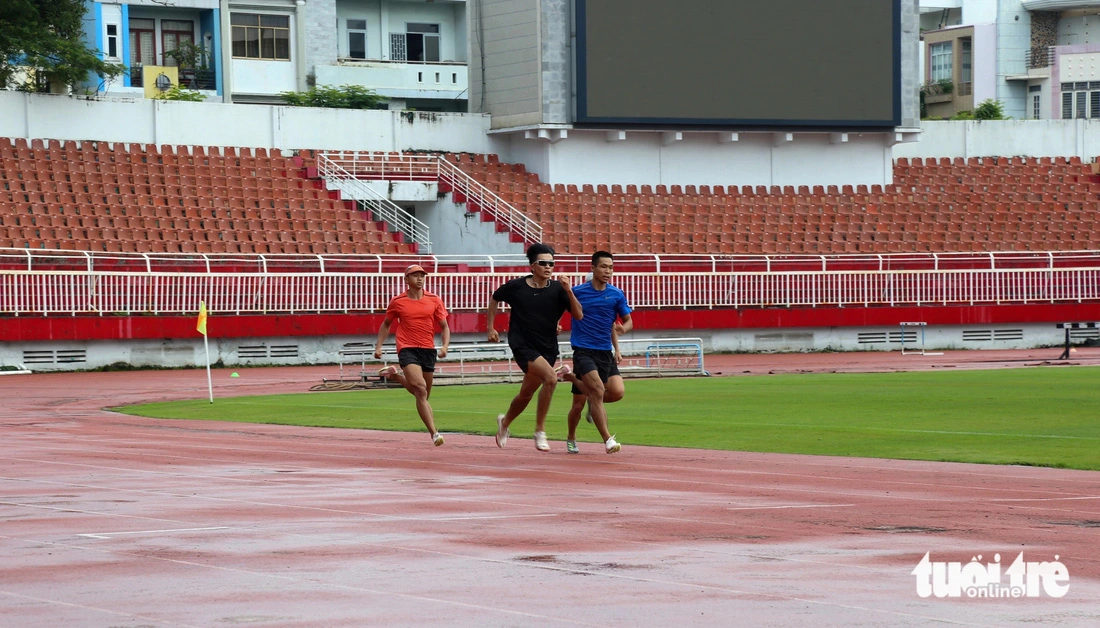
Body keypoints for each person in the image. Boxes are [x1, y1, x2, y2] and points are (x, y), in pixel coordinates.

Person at [488, 243, 583, 451]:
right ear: (532, 266)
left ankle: (504, 424)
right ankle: (540, 431)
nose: (548, 267)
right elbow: (495, 298)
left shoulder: (558, 289)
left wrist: (568, 290)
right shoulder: (516, 287)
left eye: (551, 263)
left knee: (526, 394)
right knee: (550, 378)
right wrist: (491, 327)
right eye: (543, 263)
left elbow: (578, 315)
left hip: (547, 346)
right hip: (522, 344)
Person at [561, 251, 633, 454]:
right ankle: (602, 439)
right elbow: (560, 309)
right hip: (584, 351)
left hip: (604, 353)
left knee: (616, 392)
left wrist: (622, 331)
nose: (607, 271)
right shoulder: (577, 292)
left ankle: (572, 380)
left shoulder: (616, 294)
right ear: (593, 268)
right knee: (582, 402)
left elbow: (626, 321)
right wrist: (556, 324)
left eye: (610, 267)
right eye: (603, 266)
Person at [373, 264, 451, 447]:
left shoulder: (434, 299)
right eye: (415, 275)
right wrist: (379, 347)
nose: (419, 278)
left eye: (422, 275)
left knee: (422, 394)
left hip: (428, 349)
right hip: (407, 347)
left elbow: (444, 326)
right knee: (421, 389)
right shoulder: (398, 301)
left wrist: (445, 346)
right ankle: (434, 433)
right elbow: (386, 324)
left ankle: (395, 376)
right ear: (406, 280)